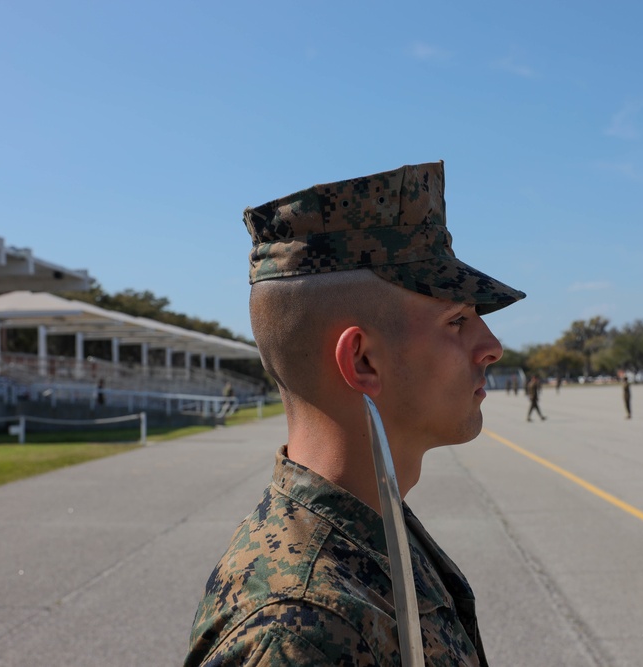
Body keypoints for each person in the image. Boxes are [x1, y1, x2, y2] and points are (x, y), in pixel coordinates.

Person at [185, 161, 525, 666]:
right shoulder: (299, 631)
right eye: (457, 320)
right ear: (362, 360)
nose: (491, 347)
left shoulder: (371, 528)